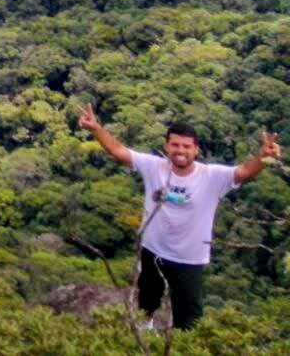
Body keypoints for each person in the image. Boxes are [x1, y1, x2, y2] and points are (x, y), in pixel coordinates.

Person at [77, 104, 280, 330]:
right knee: (146, 304)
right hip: (152, 250)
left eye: (186, 146)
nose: (180, 150)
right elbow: (119, 151)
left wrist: (263, 157)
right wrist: (95, 129)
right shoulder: (154, 167)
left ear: (196, 150)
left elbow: (243, 173)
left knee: (188, 319)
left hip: (189, 258)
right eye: (174, 144)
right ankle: (143, 342)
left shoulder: (211, 176)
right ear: (166, 146)